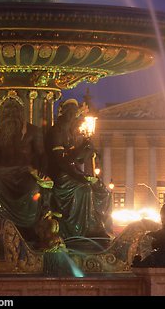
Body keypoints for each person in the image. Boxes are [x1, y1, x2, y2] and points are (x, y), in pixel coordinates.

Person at [0, 95, 53, 241]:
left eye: (14, 109)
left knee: (33, 191)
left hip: (25, 173)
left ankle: (28, 228)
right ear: (2, 112)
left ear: (21, 112)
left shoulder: (33, 131)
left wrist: (42, 170)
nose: (10, 113)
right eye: (7, 109)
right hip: (2, 173)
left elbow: (42, 154)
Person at [46, 99, 112, 239]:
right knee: (86, 189)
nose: (71, 115)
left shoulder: (71, 133)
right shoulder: (56, 131)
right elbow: (61, 161)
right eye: (68, 112)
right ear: (62, 112)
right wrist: (79, 174)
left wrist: (89, 150)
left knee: (102, 189)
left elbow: (78, 159)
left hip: (70, 172)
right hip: (59, 174)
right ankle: (80, 230)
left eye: (74, 112)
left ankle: (97, 225)